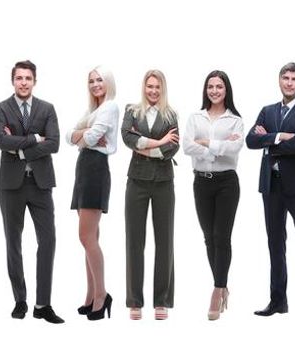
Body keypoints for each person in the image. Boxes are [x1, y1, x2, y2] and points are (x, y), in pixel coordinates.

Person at [245, 62, 295, 324]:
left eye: (294, 79)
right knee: (275, 245)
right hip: (272, 185)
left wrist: (268, 138)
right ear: (279, 80)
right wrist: (280, 136)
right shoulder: (267, 111)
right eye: (285, 78)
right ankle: (278, 301)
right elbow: (250, 141)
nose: (289, 83)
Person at [0, 60, 65, 324]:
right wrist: (36, 138)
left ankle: (42, 304)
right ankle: (20, 300)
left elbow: (55, 143)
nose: (23, 82)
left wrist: (20, 148)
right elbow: (2, 141)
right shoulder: (1, 108)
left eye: (28, 78)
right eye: (19, 78)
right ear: (13, 80)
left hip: (41, 183)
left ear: (35, 81)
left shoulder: (47, 109)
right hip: (11, 185)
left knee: (48, 241)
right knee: (13, 242)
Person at [182, 70, 244, 321]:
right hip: (201, 183)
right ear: (205, 89)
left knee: (222, 236)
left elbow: (235, 149)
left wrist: (204, 143)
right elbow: (187, 146)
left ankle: (217, 291)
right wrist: (216, 147)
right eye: (211, 86)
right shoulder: (195, 117)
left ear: (226, 90)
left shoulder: (235, 120)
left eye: (219, 86)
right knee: (209, 238)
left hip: (227, 183)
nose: (215, 91)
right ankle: (222, 284)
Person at [119, 69, 179, 321]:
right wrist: (157, 142)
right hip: (137, 182)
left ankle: (161, 300)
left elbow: (173, 146)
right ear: (144, 87)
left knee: (164, 241)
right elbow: (126, 136)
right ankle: (135, 300)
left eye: (157, 87)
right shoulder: (132, 110)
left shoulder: (171, 114)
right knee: (135, 241)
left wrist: (143, 145)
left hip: (164, 182)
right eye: (149, 86)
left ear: (162, 89)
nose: (153, 91)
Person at [68, 67, 121, 321]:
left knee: (85, 236)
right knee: (91, 237)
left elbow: (92, 137)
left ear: (108, 82)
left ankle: (102, 294)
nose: (95, 84)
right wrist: (81, 136)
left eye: (99, 79)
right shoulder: (93, 110)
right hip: (84, 169)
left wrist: (82, 136)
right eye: (91, 80)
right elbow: (71, 136)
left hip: (95, 171)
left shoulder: (109, 107)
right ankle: (90, 295)